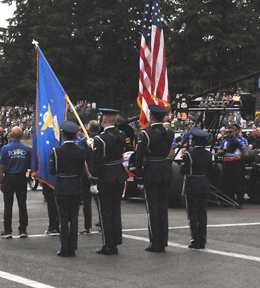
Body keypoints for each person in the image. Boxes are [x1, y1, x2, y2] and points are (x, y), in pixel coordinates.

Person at [135, 105, 175, 253]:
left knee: (153, 209)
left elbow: (140, 156)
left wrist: (138, 176)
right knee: (162, 208)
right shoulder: (169, 132)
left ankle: (155, 242)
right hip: (165, 169)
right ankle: (163, 241)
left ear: (151, 117)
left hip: (152, 171)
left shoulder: (146, 134)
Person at [91, 108, 128, 255]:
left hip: (106, 175)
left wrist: (93, 181)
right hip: (118, 173)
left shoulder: (100, 139)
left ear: (104, 120)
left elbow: (97, 162)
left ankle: (108, 244)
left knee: (105, 211)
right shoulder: (121, 135)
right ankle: (116, 241)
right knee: (115, 210)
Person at [50, 121, 90, 257]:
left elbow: (52, 171)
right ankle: (72, 247)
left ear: (63, 134)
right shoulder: (81, 151)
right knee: (73, 218)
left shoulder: (56, 151)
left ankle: (64, 247)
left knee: (63, 218)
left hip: (62, 186)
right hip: (75, 186)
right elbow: (81, 171)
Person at [180, 128, 213, 250]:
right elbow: (211, 170)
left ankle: (195, 239)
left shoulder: (189, 155)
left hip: (192, 184)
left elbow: (183, 171)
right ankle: (203, 239)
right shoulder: (209, 155)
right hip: (204, 184)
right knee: (202, 213)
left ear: (194, 141)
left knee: (193, 214)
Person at [0, 126, 32, 239]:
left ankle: (7, 230)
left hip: (9, 177)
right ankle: (23, 229)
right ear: (21, 136)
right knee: (22, 204)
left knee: (8, 204)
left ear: (11, 135)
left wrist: (1, 180)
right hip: (21, 177)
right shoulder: (27, 149)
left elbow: (1, 166)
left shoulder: (5, 148)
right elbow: (30, 164)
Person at [78, 120, 100, 234]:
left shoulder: (84, 141)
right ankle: (102, 222)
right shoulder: (101, 140)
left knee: (87, 201)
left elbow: (82, 159)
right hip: (99, 174)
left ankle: (87, 226)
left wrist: (87, 174)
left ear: (88, 129)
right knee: (100, 200)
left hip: (87, 174)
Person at [217, 126, 248, 208]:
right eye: (226, 132)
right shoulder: (224, 141)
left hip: (236, 163)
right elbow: (218, 152)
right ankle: (229, 200)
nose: (228, 134)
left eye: (230, 132)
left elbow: (245, 153)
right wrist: (225, 151)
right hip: (226, 163)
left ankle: (240, 201)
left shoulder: (239, 141)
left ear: (234, 132)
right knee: (226, 182)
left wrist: (238, 159)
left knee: (238, 183)